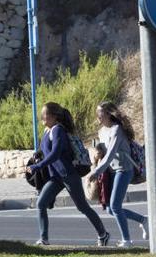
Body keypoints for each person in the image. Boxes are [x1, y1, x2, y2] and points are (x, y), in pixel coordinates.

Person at [26, 102, 110, 247]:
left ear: (53, 116)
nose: (42, 117)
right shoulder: (47, 131)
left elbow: (55, 153)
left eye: (44, 114)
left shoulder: (58, 130)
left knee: (82, 207)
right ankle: (43, 239)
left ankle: (103, 234)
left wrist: (38, 166)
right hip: (56, 177)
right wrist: (34, 160)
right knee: (41, 203)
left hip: (68, 174)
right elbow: (45, 152)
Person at [83, 102, 148, 248]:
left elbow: (111, 154)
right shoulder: (102, 131)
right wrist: (97, 153)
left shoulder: (117, 130)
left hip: (124, 170)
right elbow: (104, 153)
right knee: (110, 209)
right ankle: (144, 221)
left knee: (115, 206)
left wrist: (96, 172)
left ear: (108, 114)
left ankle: (127, 240)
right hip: (110, 171)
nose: (97, 116)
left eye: (99, 113)